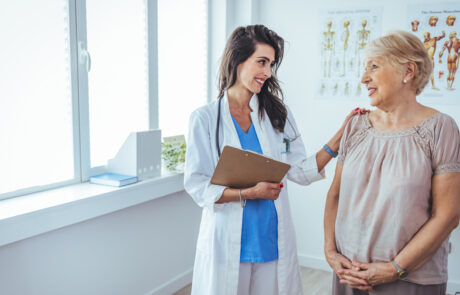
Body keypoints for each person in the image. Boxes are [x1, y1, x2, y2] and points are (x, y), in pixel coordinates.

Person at [184, 25, 365, 295]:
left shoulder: (277, 113)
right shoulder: (205, 119)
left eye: (271, 64)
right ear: (237, 59)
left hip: (270, 238)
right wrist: (249, 192)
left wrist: (340, 135)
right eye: (261, 62)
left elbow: (300, 171)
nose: (268, 73)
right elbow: (197, 184)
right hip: (227, 240)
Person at [324, 30, 460, 295]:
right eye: (365, 69)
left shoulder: (441, 129)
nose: (364, 78)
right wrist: (330, 253)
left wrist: (395, 268)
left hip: (409, 280)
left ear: (407, 71)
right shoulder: (355, 125)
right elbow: (335, 195)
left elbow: (448, 215)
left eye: (373, 67)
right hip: (348, 275)